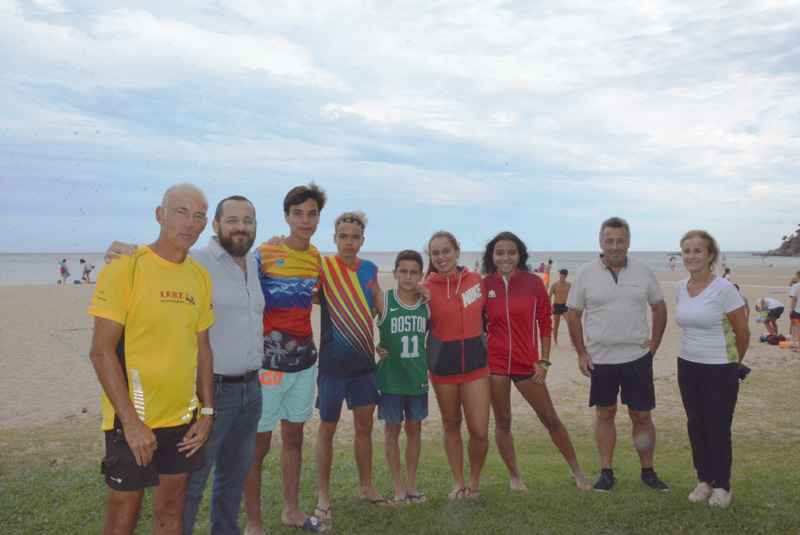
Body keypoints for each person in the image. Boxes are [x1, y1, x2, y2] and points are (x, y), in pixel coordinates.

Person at [103, 195, 268, 534]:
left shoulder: (256, 263)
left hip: (250, 389)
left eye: (248, 220)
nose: (240, 227)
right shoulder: (197, 259)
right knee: (183, 492)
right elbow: (158, 259)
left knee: (232, 478)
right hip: (214, 389)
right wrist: (113, 254)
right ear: (216, 225)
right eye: (232, 220)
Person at [88, 183, 215, 535]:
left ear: (205, 224)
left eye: (198, 216)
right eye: (181, 212)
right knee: (123, 517)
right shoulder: (126, 267)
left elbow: (203, 349)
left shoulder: (199, 277)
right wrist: (131, 424)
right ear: (160, 215)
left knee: (172, 511)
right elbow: (100, 351)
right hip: (132, 420)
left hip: (182, 421)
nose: (189, 223)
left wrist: (206, 412)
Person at [244, 183, 331, 534]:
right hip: (266, 365)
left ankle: (291, 511)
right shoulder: (262, 253)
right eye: (298, 213)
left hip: (304, 362)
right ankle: (253, 523)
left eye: (312, 214)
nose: (305, 220)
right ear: (286, 216)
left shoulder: (316, 259)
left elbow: (321, 297)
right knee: (258, 445)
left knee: (294, 438)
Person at [565, 216, 669, 493]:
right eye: (609, 241)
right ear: (601, 243)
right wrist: (581, 353)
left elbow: (659, 306)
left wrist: (655, 342)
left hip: (637, 358)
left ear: (628, 242)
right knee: (605, 413)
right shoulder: (586, 272)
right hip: (601, 359)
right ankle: (606, 473)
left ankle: (648, 472)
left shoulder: (644, 270)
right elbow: (573, 314)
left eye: (620, 240)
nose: (615, 246)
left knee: (642, 416)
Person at [482, 232, 590, 492]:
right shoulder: (485, 286)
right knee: (503, 421)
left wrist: (544, 362)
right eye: (499, 253)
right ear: (492, 256)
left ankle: (576, 470)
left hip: (526, 364)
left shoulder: (533, 283)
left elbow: (544, 320)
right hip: (494, 364)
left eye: (511, 252)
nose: (505, 257)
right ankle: (515, 477)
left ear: (519, 255)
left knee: (550, 418)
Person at [314, 211, 387, 519]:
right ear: (334, 239)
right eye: (343, 236)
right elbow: (307, 295)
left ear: (362, 241)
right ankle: (323, 495)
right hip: (331, 366)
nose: (348, 242)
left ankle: (366, 486)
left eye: (355, 237)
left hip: (363, 365)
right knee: (326, 431)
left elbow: (381, 306)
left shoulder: (370, 268)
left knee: (365, 428)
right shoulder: (322, 267)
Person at [675, 230, 750, 507]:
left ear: (710, 256)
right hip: (687, 364)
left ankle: (723, 486)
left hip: (720, 367)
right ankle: (705, 480)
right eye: (686, 251)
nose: (691, 256)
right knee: (696, 425)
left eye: (698, 251)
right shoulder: (680, 287)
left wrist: (732, 366)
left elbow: (743, 334)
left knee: (717, 426)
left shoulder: (724, 289)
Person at [424, 231, 489, 500]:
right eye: (435, 253)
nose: (441, 258)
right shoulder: (424, 288)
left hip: (477, 366)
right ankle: (458, 482)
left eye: (446, 251)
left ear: (457, 251)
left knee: (479, 430)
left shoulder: (476, 281)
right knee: (451, 425)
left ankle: (474, 481)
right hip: (442, 368)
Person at [375, 250, 430, 505]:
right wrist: (373, 346)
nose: (408, 277)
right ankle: (397, 486)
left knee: (415, 429)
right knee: (391, 431)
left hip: (417, 377)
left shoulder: (426, 303)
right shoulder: (383, 300)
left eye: (414, 272)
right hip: (391, 379)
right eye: (403, 271)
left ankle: (410, 485)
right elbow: (359, 322)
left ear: (421, 275)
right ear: (395, 272)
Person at [548, 269, 571, 348]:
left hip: (565, 305)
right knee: (556, 325)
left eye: (564, 277)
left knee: (569, 324)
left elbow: (572, 296)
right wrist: (550, 306)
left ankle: (572, 343)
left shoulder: (569, 285)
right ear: (559, 275)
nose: (562, 279)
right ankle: (555, 341)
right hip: (557, 305)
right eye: (561, 277)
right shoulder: (555, 284)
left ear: (566, 276)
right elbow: (549, 296)